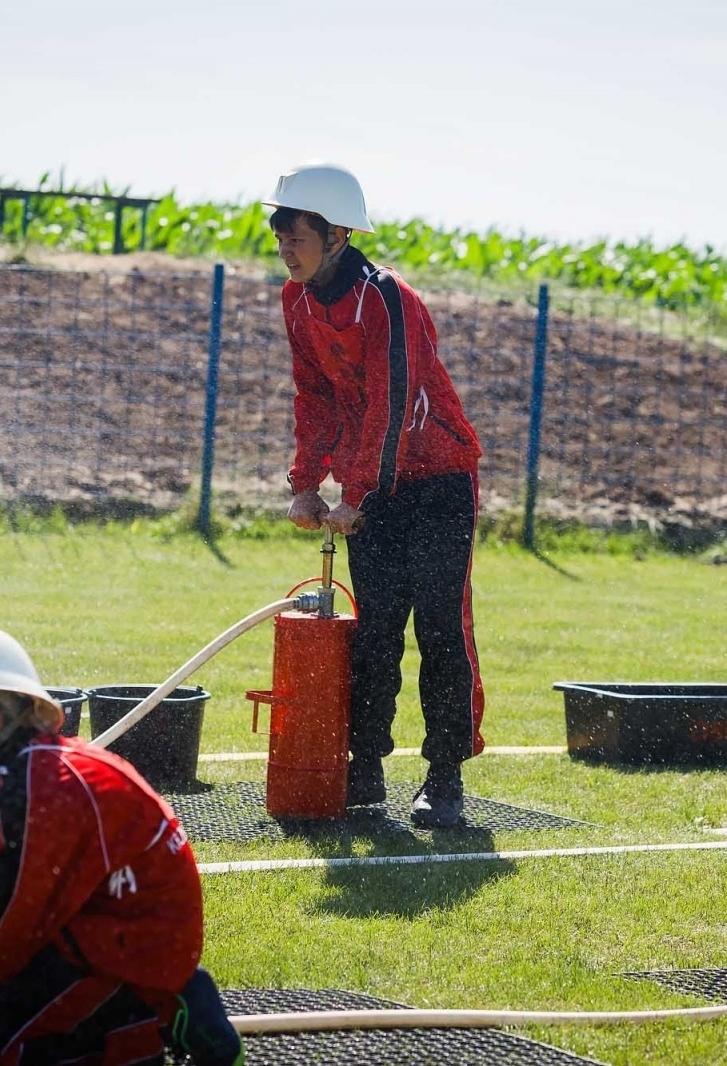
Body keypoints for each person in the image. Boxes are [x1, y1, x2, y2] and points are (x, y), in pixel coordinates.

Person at [0, 622, 244, 1066]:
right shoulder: (23, 778)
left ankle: (155, 1016)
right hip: (86, 940)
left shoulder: (46, 790)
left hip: (127, 965)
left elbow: (8, 937)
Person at [265, 162, 485, 829]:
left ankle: (444, 776)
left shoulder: (386, 297)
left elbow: (395, 403)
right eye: (277, 232)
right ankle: (366, 766)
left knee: (442, 630)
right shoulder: (296, 300)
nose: (283, 245)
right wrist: (306, 480)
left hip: (439, 481)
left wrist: (354, 492)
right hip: (376, 486)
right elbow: (317, 396)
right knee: (376, 630)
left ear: (333, 234)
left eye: (293, 233)